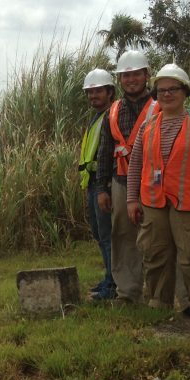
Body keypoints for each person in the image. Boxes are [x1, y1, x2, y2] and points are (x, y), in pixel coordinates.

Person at [126, 64, 190, 320]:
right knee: (155, 254)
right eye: (161, 90)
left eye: (173, 89)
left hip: (189, 202)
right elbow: (135, 164)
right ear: (156, 94)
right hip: (153, 201)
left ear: (185, 92)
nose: (167, 94)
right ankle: (159, 303)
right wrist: (131, 200)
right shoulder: (148, 127)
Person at [96, 50, 158, 304]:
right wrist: (102, 188)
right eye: (126, 75)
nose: (131, 80)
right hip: (121, 181)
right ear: (120, 79)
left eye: (136, 74)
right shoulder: (113, 111)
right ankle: (128, 293)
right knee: (122, 236)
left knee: (157, 237)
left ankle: (158, 293)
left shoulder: (159, 105)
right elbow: (104, 151)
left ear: (146, 75)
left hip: (154, 182)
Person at [79, 67, 117, 300]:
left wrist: (104, 187)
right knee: (99, 233)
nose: (93, 96)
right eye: (90, 92)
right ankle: (109, 278)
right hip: (93, 182)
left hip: (105, 183)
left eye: (98, 91)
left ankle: (113, 284)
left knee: (108, 235)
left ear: (110, 92)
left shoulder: (112, 115)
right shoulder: (97, 117)